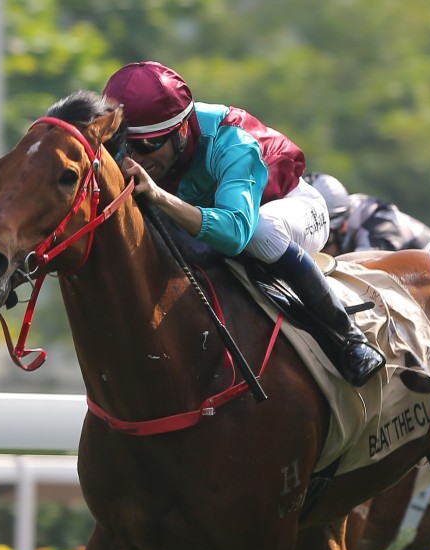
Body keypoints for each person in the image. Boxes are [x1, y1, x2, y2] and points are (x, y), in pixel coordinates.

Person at [103, 61, 384, 387]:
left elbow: (236, 232)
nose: (133, 157)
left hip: (288, 210)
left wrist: (160, 197)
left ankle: (349, 341)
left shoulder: (232, 140)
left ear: (181, 131)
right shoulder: (141, 147)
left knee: (260, 231)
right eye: (123, 144)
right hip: (213, 219)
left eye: (148, 144)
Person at [304, 172, 430, 256]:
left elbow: (359, 282)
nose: (316, 249)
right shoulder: (345, 209)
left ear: (343, 226)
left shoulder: (377, 231)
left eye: (324, 239)